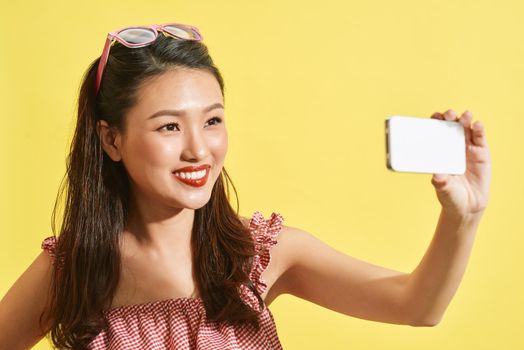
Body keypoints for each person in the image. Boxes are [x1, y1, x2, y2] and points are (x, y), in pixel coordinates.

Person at [0, 22, 492, 350]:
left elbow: (417, 306)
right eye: (169, 127)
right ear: (111, 139)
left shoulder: (261, 252)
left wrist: (462, 216)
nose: (199, 149)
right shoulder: (74, 267)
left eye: (212, 121)